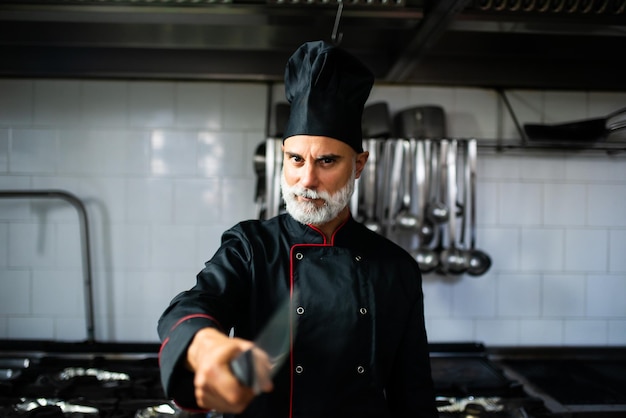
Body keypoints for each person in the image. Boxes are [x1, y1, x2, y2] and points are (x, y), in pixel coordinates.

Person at [157, 40, 438, 418]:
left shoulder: (396, 267)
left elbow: (413, 396)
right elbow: (194, 305)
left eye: (326, 161)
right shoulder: (251, 247)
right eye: (296, 159)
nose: (307, 179)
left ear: (358, 164)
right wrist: (208, 347)